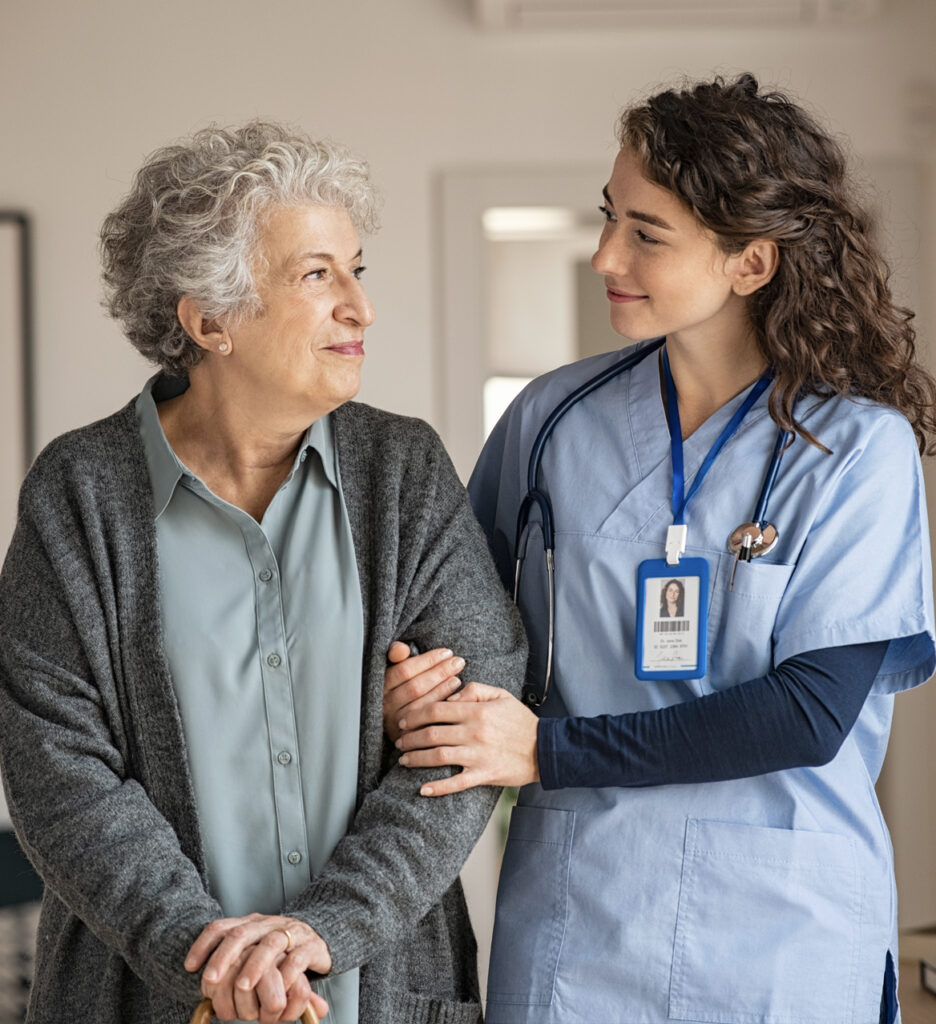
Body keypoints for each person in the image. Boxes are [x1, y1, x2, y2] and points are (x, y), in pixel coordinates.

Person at [384, 74, 936, 1023]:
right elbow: (457, 624)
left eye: (647, 233)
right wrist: (422, 683)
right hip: (581, 920)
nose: (604, 254)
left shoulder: (855, 450)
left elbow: (807, 714)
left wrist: (549, 752)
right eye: (610, 218)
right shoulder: (551, 421)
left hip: (780, 932)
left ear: (750, 264)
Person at [0, 121, 526, 1024]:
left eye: (358, 271)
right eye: (318, 275)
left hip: (384, 994)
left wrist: (323, 931)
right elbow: (58, 770)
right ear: (208, 320)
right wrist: (210, 961)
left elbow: (465, 740)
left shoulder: (403, 471)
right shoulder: (78, 493)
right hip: (145, 996)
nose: (360, 308)